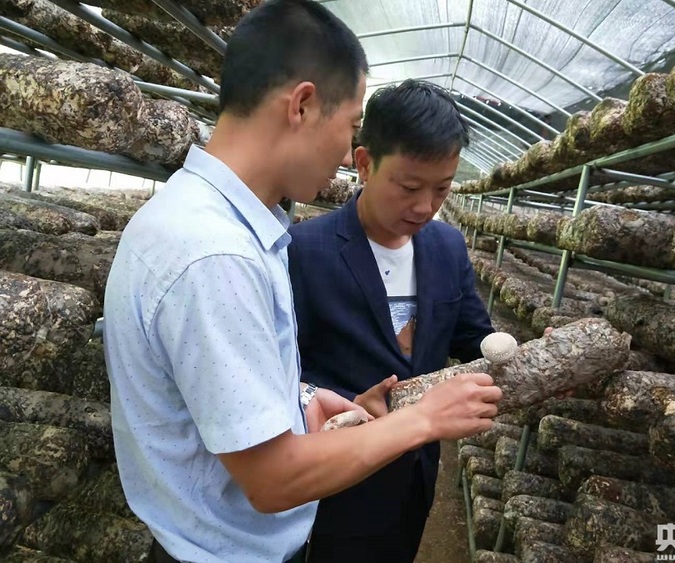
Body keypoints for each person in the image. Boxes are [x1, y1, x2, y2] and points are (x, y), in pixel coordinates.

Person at [102, 2, 503, 562]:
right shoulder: (212, 253)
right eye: (349, 125)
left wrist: (302, 401)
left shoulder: (223, 228)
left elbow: (214, 395)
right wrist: (425, 418)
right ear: (303, 105)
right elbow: (273, 482)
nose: (346, 152)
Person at [288, 79, 496, 563]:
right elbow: (279, 368)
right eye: (409, 187)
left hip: (416, 478)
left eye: (441, 189)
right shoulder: (308, 251)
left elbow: (474, 339)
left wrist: (527, 355)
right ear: (364, 163)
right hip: (337, 483)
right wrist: (332, 406)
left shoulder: (446, 247)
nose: (425, 206)